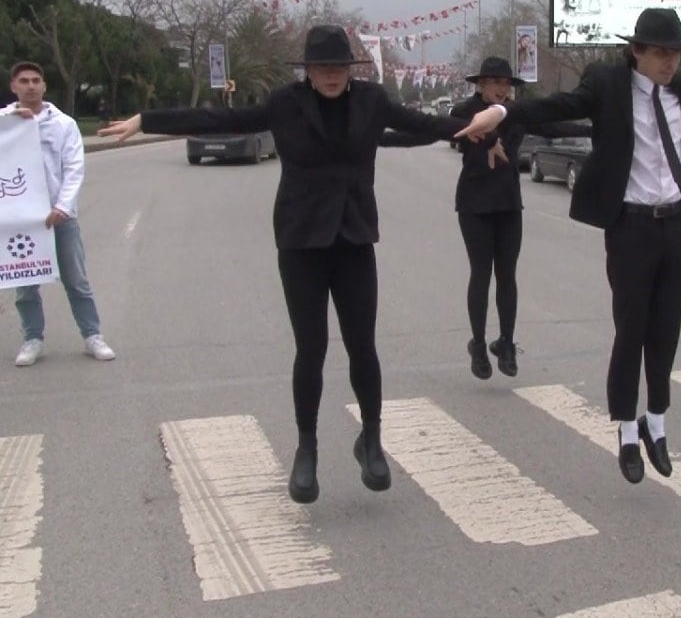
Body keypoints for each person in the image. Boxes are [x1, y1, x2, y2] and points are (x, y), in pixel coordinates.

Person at [98, 25, 466, 504]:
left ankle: (370, 438)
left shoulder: (372, 101)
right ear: (308, 71)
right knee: (310, 348)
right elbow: (224, 122)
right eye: (322, 68)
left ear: (350, 70)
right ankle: (306, 448)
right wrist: (147, 119)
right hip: (300, 243)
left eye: (338, 67)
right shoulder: (284, 103)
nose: (331, 76)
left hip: (353, 239)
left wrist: (484, 122)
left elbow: (427, 125)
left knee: (362, 346)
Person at [456, 8, 681, 484]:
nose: (671, 62)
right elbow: (556, 107)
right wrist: (501, 111)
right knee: (632, 329)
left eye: (677, 54)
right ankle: (628, 431)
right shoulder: (608, 84)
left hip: (674, 224)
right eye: (662, 53)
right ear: (638, 52)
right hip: (629, 226)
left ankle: (658, 422)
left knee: (666, 330)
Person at [384, 57, 590, 380]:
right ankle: (478, 344)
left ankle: (506, 342)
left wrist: (596, 127)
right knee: (481, 272)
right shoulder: (464, 112)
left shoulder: (516, 114)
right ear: (480, 85)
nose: (501, 88)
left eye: (506, 83)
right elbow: (442, 132)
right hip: (474, 203)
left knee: (507, 273)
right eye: (494, 82)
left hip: (509, 203)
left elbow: (553, 126)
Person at [4, 61, 117, 367]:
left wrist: (62, 207)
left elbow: (73, 169)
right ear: (13, 86)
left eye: (36, 80)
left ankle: (93, 335)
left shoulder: (63, 124)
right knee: (25, 285)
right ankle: (32, 339)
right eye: (23, 81)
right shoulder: (3, 122)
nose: (30, 85)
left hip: (59, 218)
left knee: (76, 280)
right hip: (21, 222)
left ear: (43, 86)